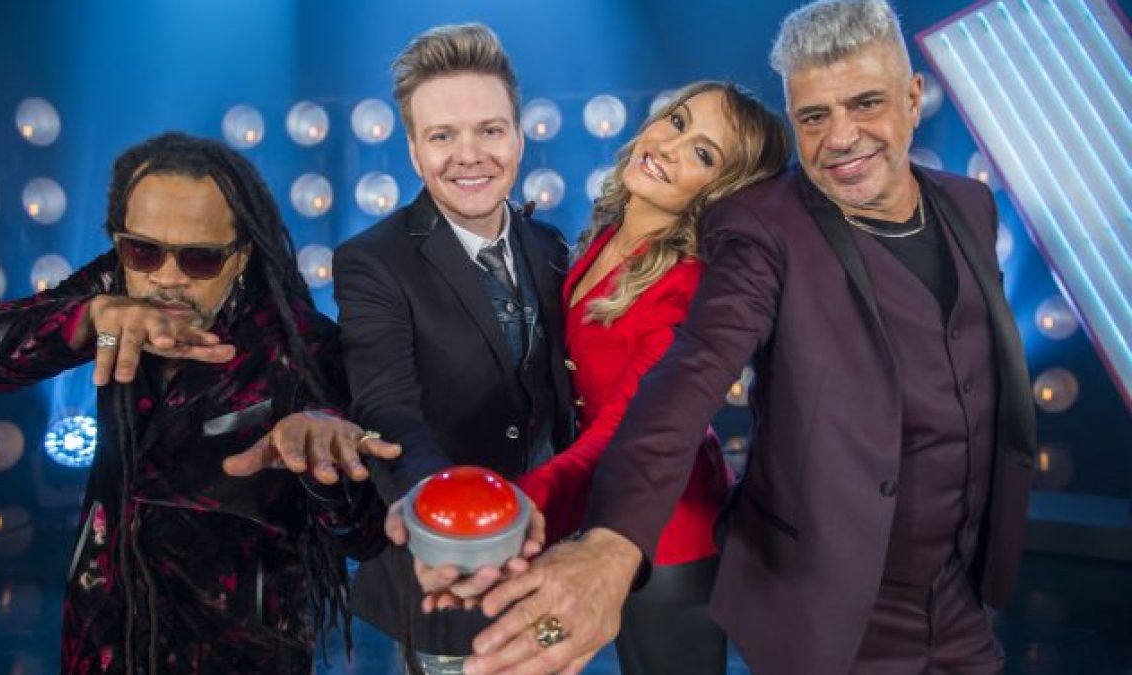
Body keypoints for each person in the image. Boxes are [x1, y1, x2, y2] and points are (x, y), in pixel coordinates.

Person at [464, 1, 1037, 674]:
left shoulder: (971, 204)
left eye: (866, 104)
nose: (841, 137)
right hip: (831, 601)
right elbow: (686, 380)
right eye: (814, 116)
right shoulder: (762, 227)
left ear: (913, 99)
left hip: (960, 596)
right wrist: (611, 540)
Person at [0, 133, 397, 674]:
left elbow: (365, 537)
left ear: (242, 255)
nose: (167, 277)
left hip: (234, 653)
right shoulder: (116, 287)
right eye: (143, 250)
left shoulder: (302, 347)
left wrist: (327, 466)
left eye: (200, 258)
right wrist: (84, 319)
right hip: (103, 635)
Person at [508, 81, 790, 675]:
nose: (668, 145)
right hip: (601, 500)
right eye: (677, 121)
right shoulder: (611, 231)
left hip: (672, 530)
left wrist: (525, 501)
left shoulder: (687, 288)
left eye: (704, 154)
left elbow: (624, 430)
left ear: (722, 190)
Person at [331, 23, 573, 674]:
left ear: (518, 137)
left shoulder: (551, 246)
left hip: (550, 559)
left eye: (490, 130)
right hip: (441, 568)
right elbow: (387, 407)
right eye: (442, 136)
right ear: (414, 151)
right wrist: (448, 523)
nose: (470, 156)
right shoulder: (371, 261)